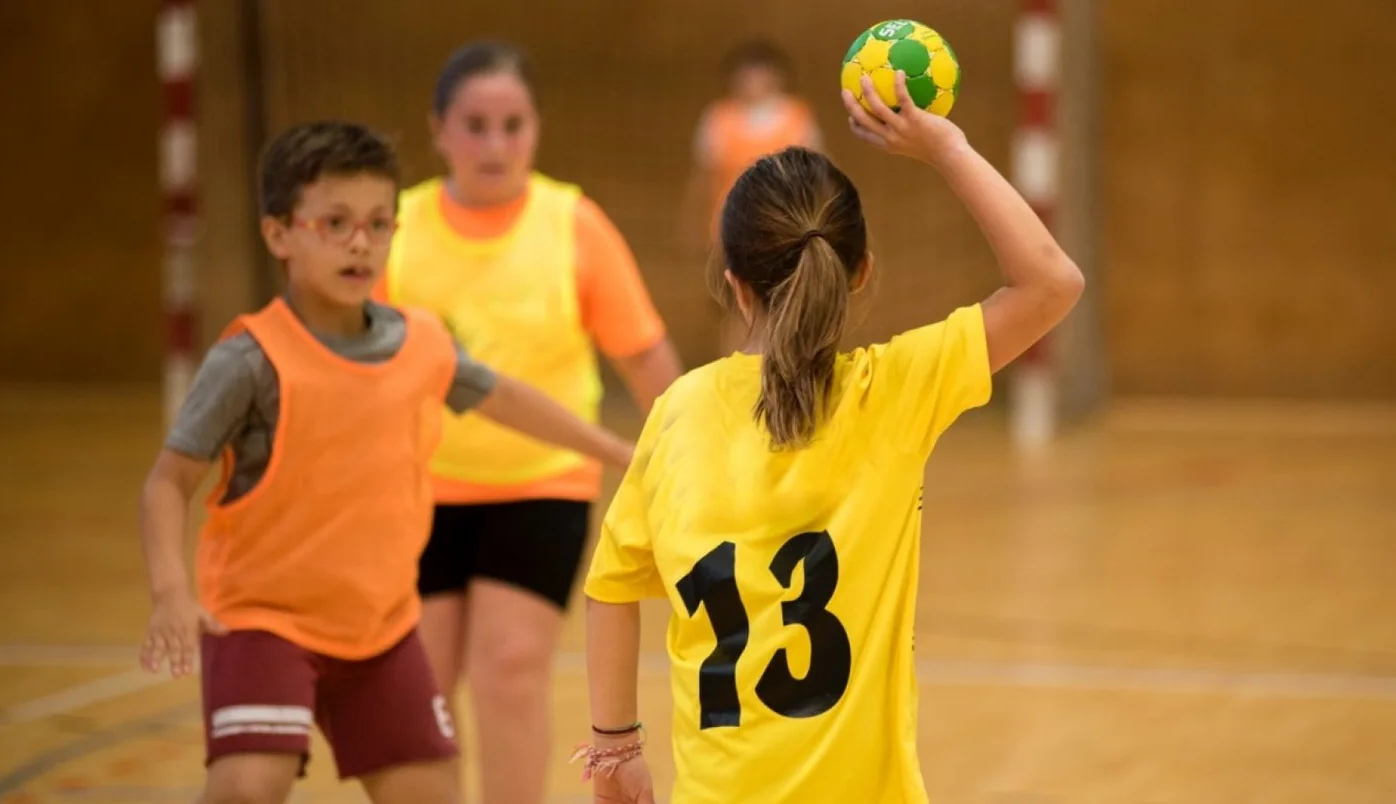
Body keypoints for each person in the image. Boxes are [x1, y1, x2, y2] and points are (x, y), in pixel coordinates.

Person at [577, 72, 1085, 803]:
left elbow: (611, 588)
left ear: (735, 283)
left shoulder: (679, 412)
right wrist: (945, 145)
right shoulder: (893, 393)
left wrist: (615, 746)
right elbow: (1051, 282)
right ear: (860, 274)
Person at [137, 120, 634, 804]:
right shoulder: (250, 359)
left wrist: (616, 452)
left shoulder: (419, 343)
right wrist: (169, 590)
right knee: (251, 786)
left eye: (378, 223)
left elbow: (506, 397)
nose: (360, 242)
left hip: (379, 629)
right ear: (279, 233)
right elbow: (168, 481)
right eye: (334, 223)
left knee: (433, 794)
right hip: (262, 619)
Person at [374, 41, 683, 804]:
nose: (495, 144)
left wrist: (687, 460)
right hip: (418, 493)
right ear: (439, 130)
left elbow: (647, 359)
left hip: (543, 486)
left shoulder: (572, 224)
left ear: (535, 129)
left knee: (511, 670)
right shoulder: (396, 227)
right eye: (475, 125)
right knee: (423, 686)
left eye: (512, 125)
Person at [681, 39, 824, 354]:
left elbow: (817, 177)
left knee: (783, 304)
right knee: (735, 308)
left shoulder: (797, 117)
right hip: (731, 229)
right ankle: (735, 373)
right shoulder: (719, 118)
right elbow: (702, 179)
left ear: (776, 77)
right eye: (744, 74)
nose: (751, 81)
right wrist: (694, 223)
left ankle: (782, 375)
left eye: (758, 73)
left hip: (784, 229)